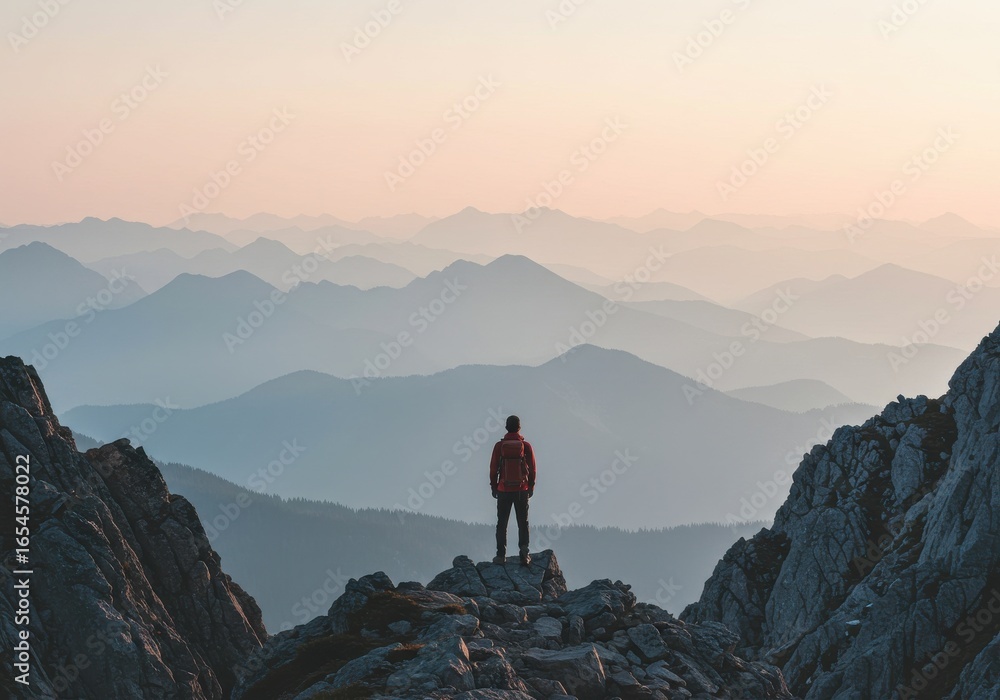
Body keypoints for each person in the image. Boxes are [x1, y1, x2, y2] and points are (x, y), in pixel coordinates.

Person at [489, 415, 536, 566]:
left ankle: (500, 555)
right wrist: (531, 486)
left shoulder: (499, 446)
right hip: (522, 489)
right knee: (523, 522)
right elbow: (533, 468)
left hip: (503, 489)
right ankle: (524, 552)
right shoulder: (525, 446)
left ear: (506, 427)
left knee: (502, 523)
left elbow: (493, 468)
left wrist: (494, 486)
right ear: (519, 427)